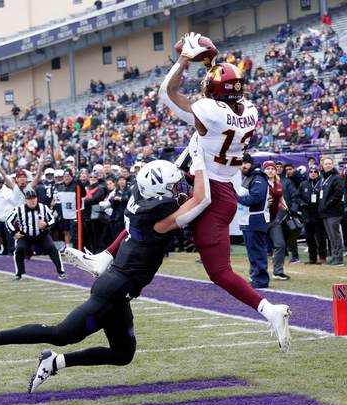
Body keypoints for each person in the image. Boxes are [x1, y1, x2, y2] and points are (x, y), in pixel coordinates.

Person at [65, 33, 292, 353]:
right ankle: (104, 258)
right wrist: (212, 63)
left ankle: (270, 310)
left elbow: (167, 92)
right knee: (146, 209)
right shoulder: (250, 111)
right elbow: (225, 87)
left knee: (219, 270)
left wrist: (187, 57)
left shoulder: (210, 113)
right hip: (217, 184)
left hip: (209, 193)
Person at [0, 160, 209, 393]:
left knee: (123, 354)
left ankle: (55, 362)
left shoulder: (141, 198)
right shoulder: (157, 220)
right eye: (174, 187)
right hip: (114, 289)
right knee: (62, 334)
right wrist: (202, 163)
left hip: (119, 286)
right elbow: (201, 198)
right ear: (159, 192)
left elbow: (179, 192)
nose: (178, 190)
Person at [6, 189, 67, 281]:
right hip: (25, 235)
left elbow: (52, 220)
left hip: (41, 235)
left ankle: (61, 271)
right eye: (30, 199)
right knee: (19, 249)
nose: (32, 200)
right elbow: (8, 221)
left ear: (37, 199)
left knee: (52, 248)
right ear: (25, 200)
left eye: (34, 198)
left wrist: (46, 224)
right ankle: (18, 273)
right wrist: (14, 233)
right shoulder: (19, 209)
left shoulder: (44, 208)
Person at [237, 156, 270, 289]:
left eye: (245, 163)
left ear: (251, 164)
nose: (243, 166)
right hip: (248, 220)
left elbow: (256, 198)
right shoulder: (250, 177)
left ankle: (261, 280)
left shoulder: (258, 177)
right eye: (241, 164)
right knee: (252, 252)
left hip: (255, 220)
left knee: (257, 252)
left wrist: (237, 198)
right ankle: (256, 278)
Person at [294, 164, 327, 265]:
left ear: (318, 173)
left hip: (318, 215)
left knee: (320, 237)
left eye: (315, 172)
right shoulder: (304, 184)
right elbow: (297, 196)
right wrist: (301, 203)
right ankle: (312, 257)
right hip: (307, 215)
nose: (313, 174)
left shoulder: (322, 183)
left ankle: (322, 256)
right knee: (309, 238)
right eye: (311, 172)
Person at [263, 161, 291, 280]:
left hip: (274, 219)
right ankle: (255, 272)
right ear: (264, 170)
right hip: (262, 220)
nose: (270, 170)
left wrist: (287, 209)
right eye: (268, 168)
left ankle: (278, 271)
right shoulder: (260, 183)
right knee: (259, 247)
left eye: (272, 168)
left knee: (280, 244)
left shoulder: (278, 184)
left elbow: (281, 199)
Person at [319, 156, 345, 266]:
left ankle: (338, 258)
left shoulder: (336, 178)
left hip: (333, 211)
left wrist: (328, 204)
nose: (328, 165)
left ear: (333, 165)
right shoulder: (323, 177)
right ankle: (334, 257)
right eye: (326, 164)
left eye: (330, 163)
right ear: (323, 165)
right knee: (330, 237)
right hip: (325, 212)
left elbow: (339, 193)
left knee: (335, 236)